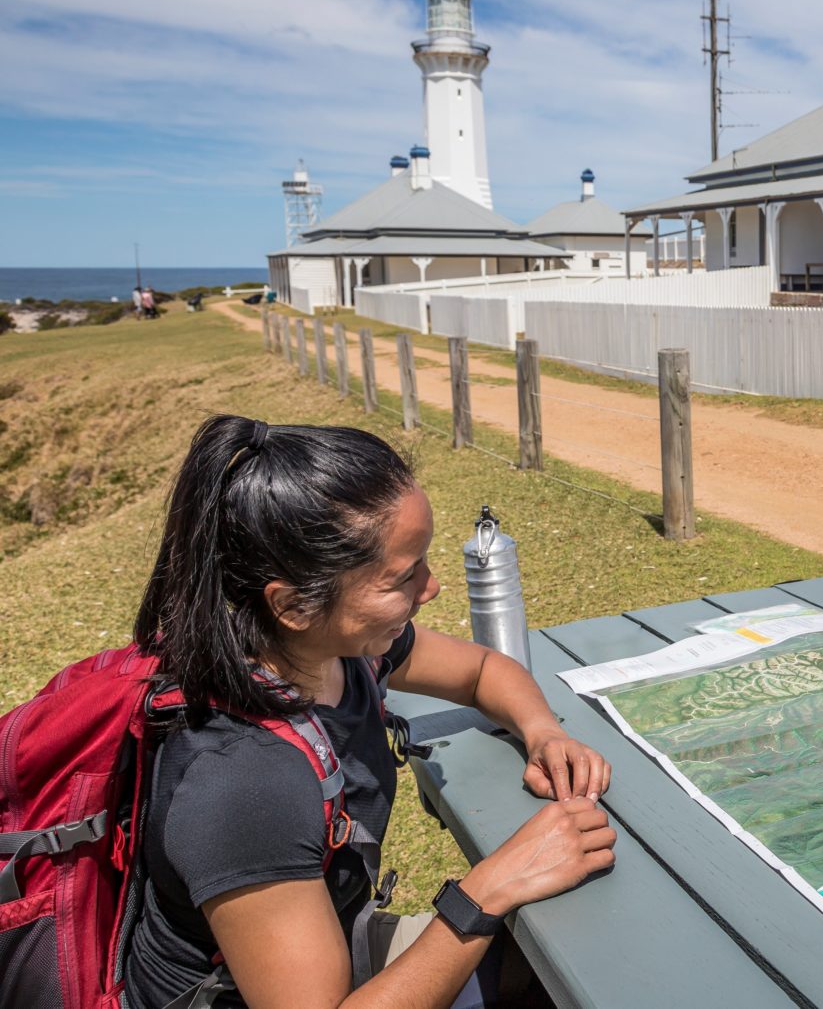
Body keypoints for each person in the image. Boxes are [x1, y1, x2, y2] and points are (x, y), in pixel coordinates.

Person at [124, 415, 616, 1009]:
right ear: (296, 603)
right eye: (404, 576)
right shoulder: (243, 784)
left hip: (338, 953)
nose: (431, 588)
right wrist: (488, 888)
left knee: (573, 956)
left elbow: (483, 670)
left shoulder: (336, 652)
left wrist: (541, 733)